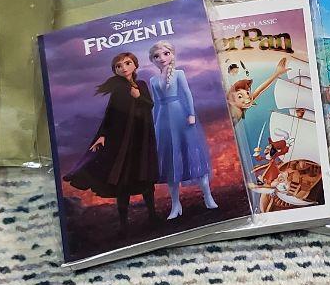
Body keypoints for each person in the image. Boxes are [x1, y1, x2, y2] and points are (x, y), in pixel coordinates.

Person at [62, 52, 160, 231]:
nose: (123, 68)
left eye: (127, 63)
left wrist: (138, 96)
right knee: (122, 179)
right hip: (122, 139)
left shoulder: (142, 85)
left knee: (145, 176)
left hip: (142, 137)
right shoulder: (118, 90)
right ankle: (124, 225)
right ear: (115, 71)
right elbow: (110, 113)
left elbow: (150, 104)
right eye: (118, 66)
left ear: (135, 65)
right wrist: (102, 135)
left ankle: (152, 216)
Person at [149, 40, 218, 219]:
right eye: (156, 56)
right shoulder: (153, 80)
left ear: (172, 55)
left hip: (181, 115)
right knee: (170, 159)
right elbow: (155, 103)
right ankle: (175, 204)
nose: (161, 58)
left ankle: (207, 195)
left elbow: (187, 94)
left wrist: (191, 113)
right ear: (152, 60)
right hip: (163, 121)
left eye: (165, 54)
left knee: (193, 153)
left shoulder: (179, 73)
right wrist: (154, 123)